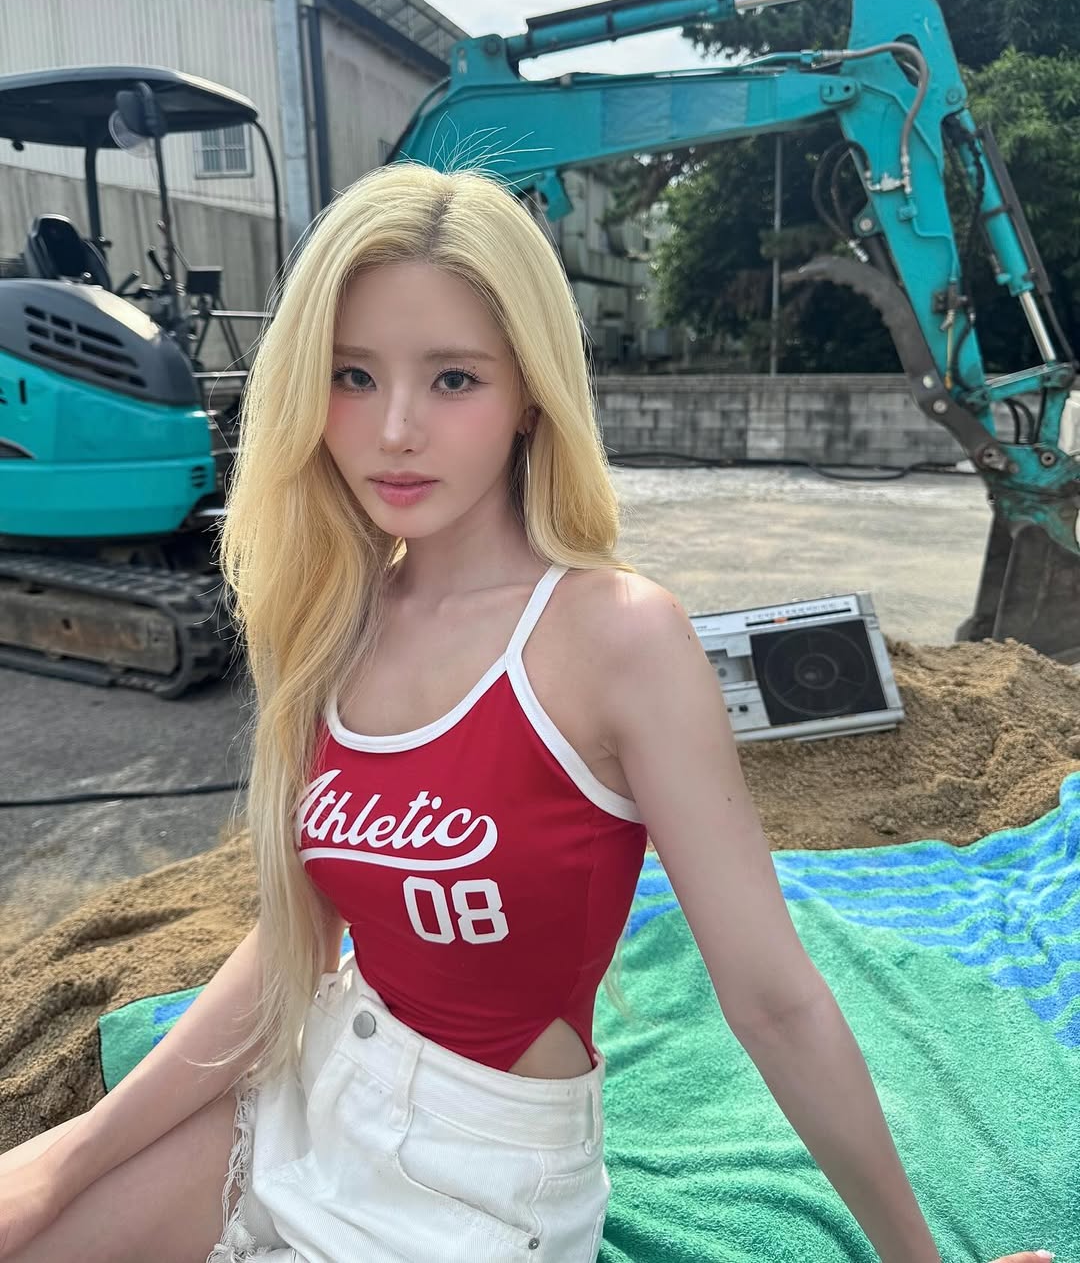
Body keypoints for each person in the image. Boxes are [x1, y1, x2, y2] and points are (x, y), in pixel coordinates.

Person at [0, 164, 1054, 1263]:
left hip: (476, 1181)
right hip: (312, 1079)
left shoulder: (618, 639)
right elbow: (294, 940)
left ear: (531, 396)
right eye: (353, 375)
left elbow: (773, 999)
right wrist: (64, 1159)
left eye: (453, 378)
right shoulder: (333, 615)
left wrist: (918, 1259)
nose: (394, 429)